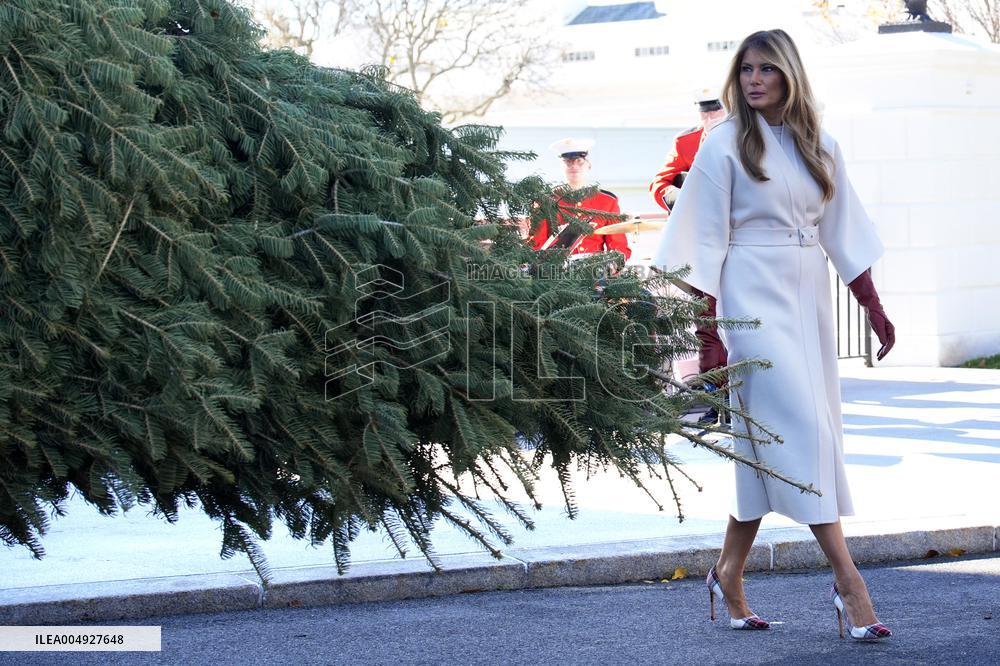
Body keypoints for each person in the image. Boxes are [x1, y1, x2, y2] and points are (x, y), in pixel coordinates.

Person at [652, 29, 896, 640]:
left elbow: (844, 228)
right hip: (749, 292)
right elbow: (700, 239)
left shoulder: (822, 144)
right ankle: (848, 582)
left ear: (790, 75)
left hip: (808, 293)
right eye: (745, 70)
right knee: (801, 429)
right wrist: (710, 333)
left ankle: (728, 573)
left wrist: (871, 304)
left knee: (775, 442)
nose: (753, 80)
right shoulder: (723, 143)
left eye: (766, 69)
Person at [650, 90, 730, 421]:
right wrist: (679, 198)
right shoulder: (687, 143)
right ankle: (716, 396)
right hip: (701, 241)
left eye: (716, 112)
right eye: (705, 113)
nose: (710, 119)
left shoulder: (746, 136)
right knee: (707, 322)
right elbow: (660, 183)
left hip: (740, 241)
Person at [531, 138, 630, 260]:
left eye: (579, 161)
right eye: (568, 162)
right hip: (556, 271)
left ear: (589, 166)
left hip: (595, 270)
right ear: (561, 167)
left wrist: (614, 264)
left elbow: (618, 244)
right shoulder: (545, 200)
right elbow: (537, 244)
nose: (574, 166)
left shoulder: (608, 201)